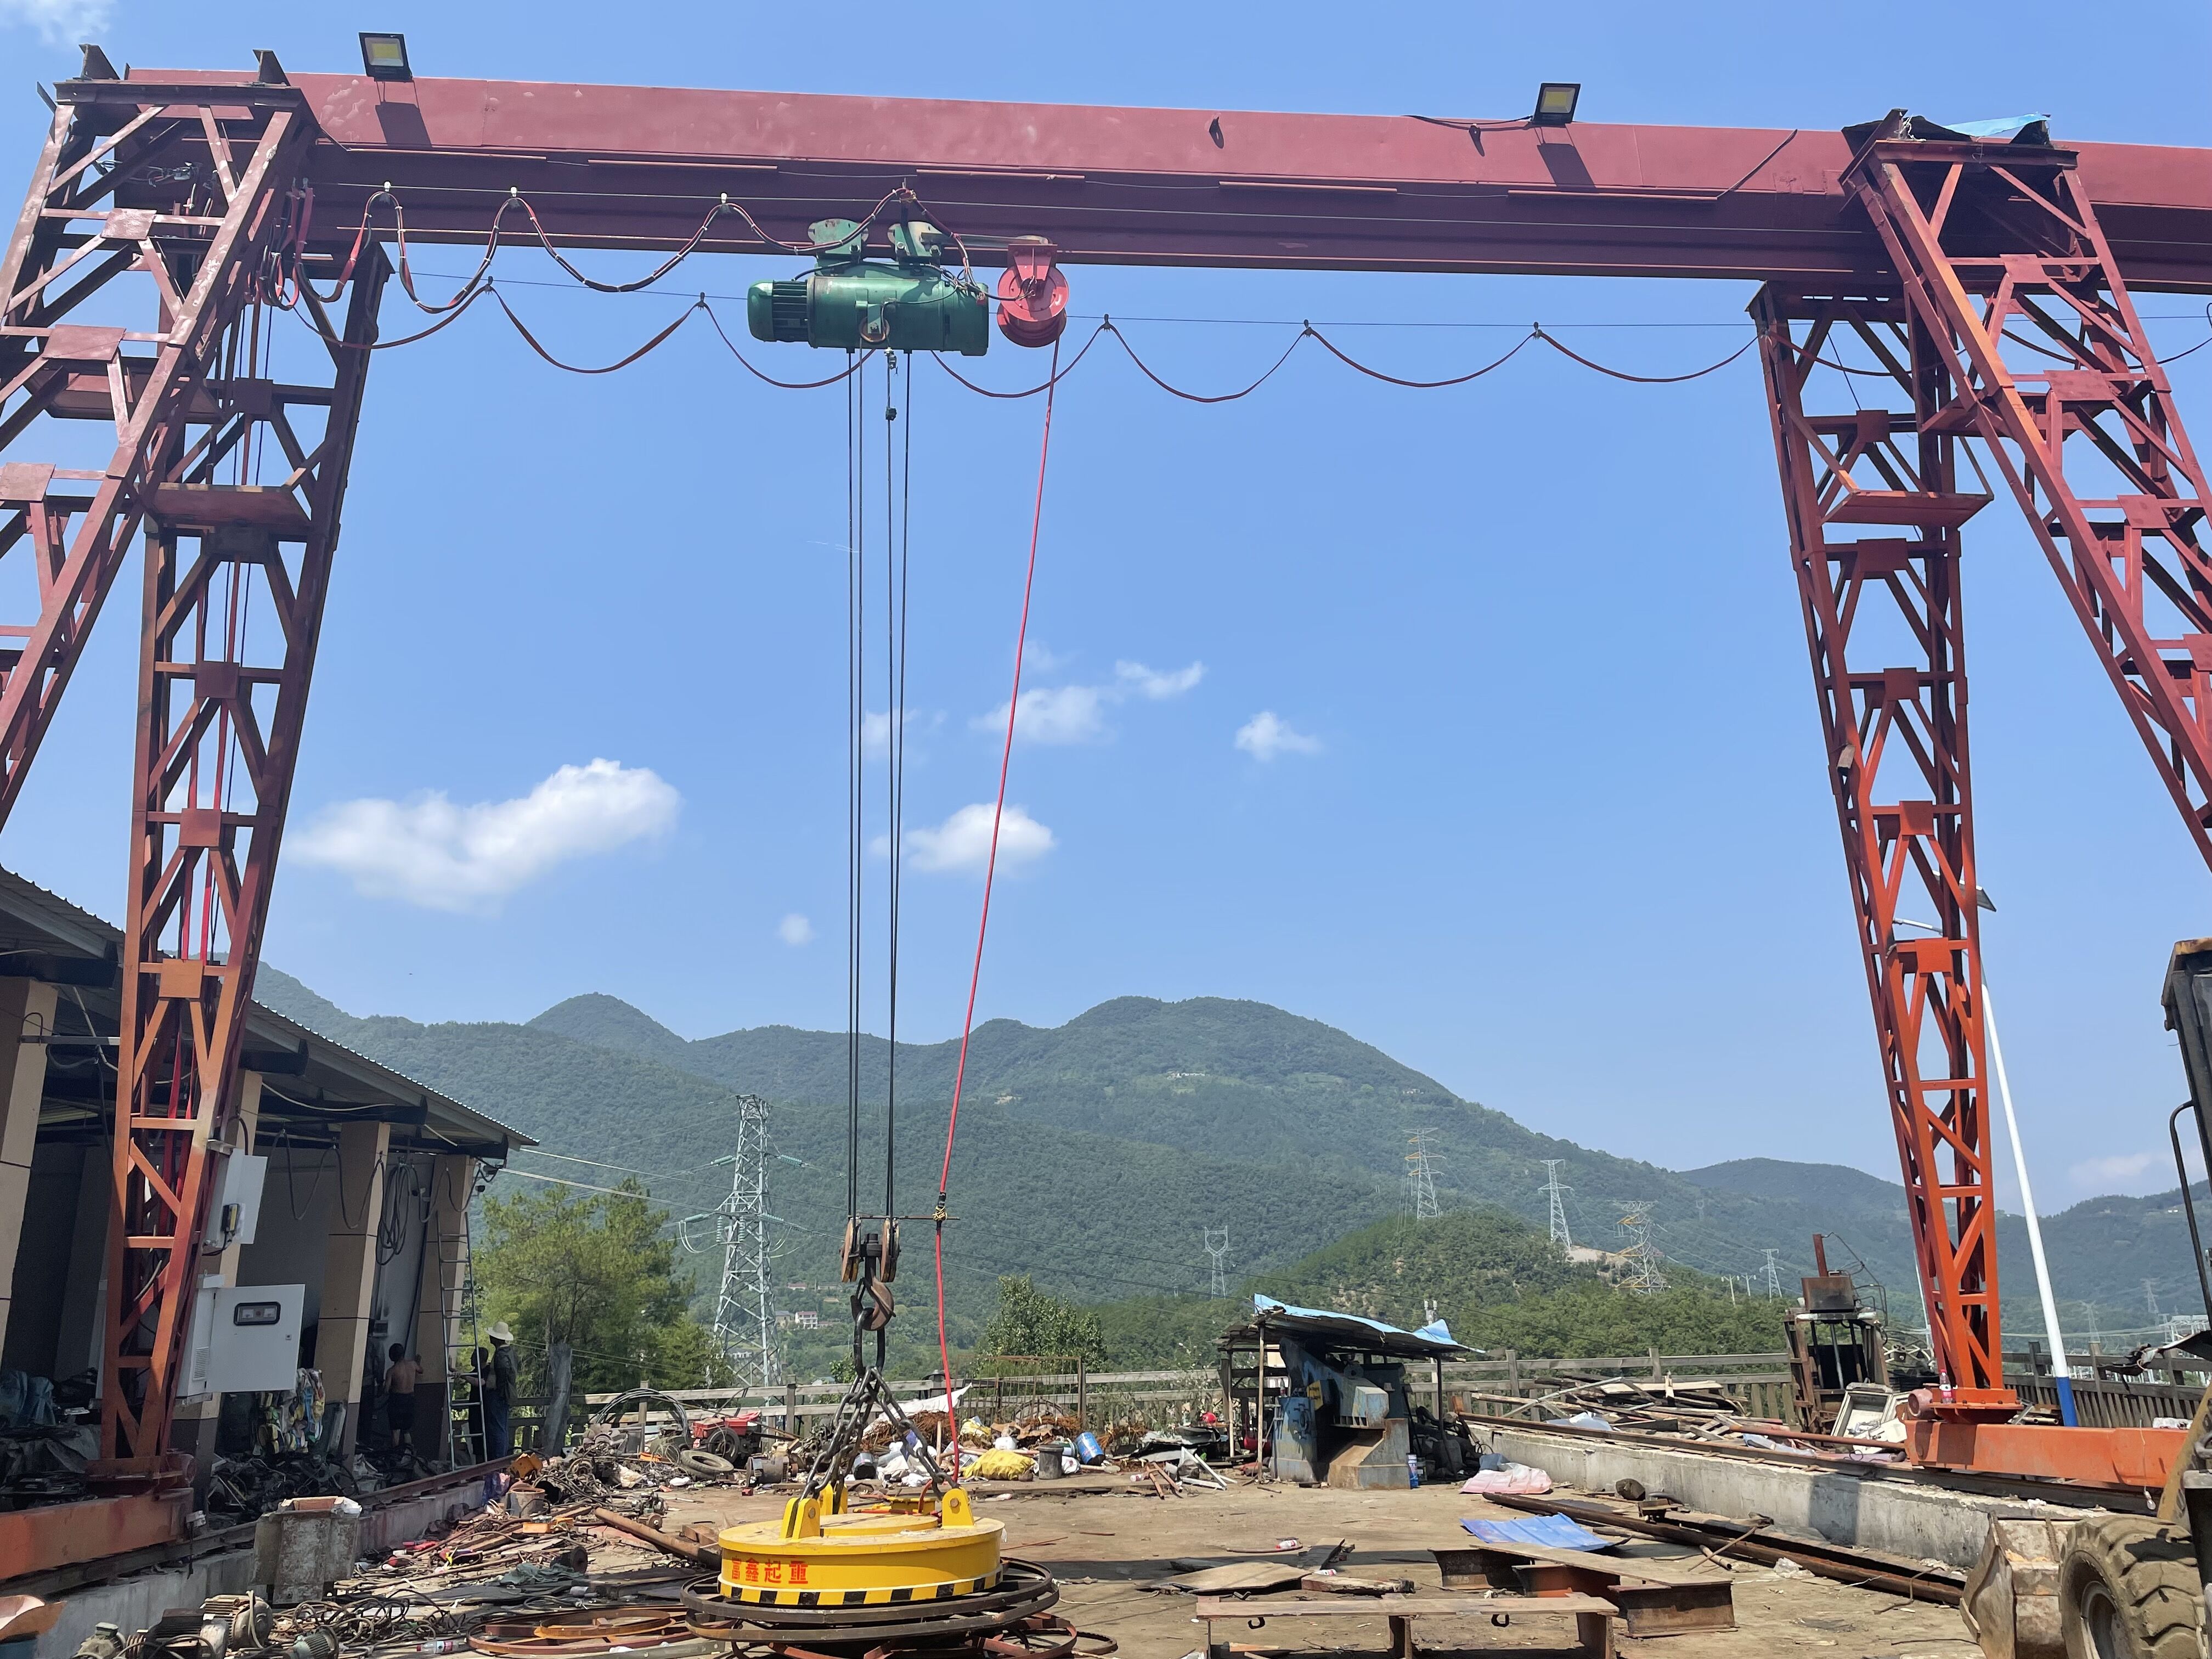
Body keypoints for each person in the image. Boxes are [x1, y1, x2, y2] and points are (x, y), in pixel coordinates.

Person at [484, 1322, 517, 1458]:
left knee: (497, 1429)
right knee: (502, 1427)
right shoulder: (510, 1352)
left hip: (498, 1394)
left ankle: (498, 1459)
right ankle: (501, 1458)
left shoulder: (501, 1355)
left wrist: (499, 1389)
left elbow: (503, 1371)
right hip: (503, 1394)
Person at [385, 1342, 421, 1452]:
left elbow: (386, 1390)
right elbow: (421, 1370)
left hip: (396, 1400)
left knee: (396, 1430)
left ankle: (395, 1454)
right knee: (407, 1430)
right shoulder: (413, 1365)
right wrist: (418, 1362)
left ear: (391, 1356)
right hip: (410, 1400)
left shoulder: (392, 1371)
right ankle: (409, 1454)